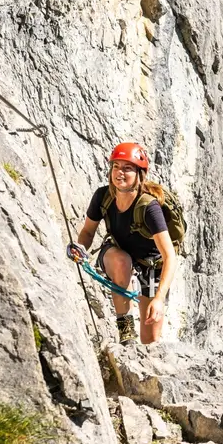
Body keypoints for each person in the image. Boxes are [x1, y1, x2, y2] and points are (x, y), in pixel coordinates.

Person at [68, 142, 178, 345]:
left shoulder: (149, 208)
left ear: (139, 174)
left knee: (150, 339)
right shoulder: (103, 196)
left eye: (127, 168)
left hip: (150, 265)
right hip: (118, 253)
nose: (120, 172)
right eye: (116, 166)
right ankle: (126, 331)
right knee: (121, 261)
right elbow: (88, 231)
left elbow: (170, 256)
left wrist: (159, 298)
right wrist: (80, 248)